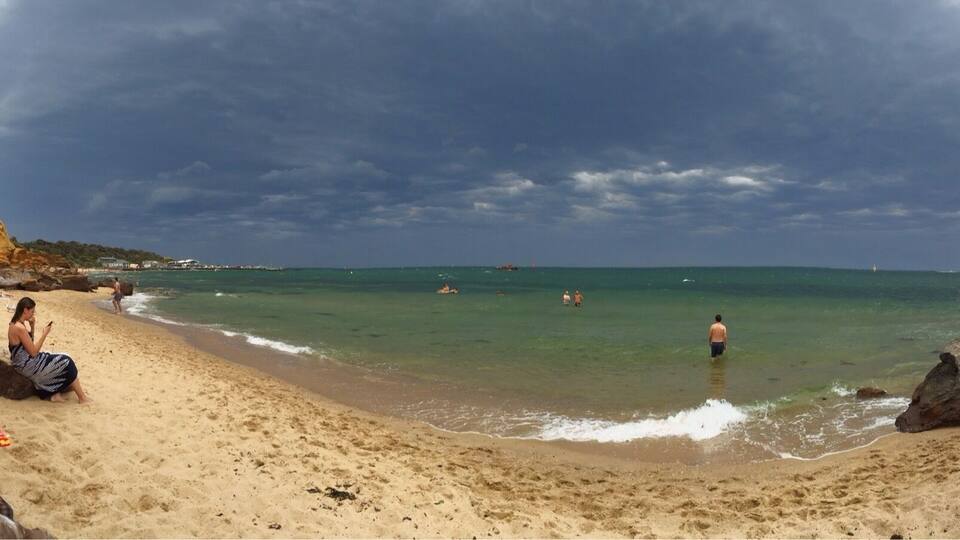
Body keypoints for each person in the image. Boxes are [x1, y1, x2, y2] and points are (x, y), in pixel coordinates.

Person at [7, 297, 89, 403]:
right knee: (67, 362)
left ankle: (55, 394)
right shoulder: (19, 328)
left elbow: (27, 345)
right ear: (25, 310)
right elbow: (33, 352)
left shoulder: (15, 324)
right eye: (32, 311)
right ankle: (82, 398)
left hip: (24, 361)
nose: (33, 314)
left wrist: (32, 326)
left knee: (57, 358)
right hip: (26, 365)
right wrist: (45, 334)